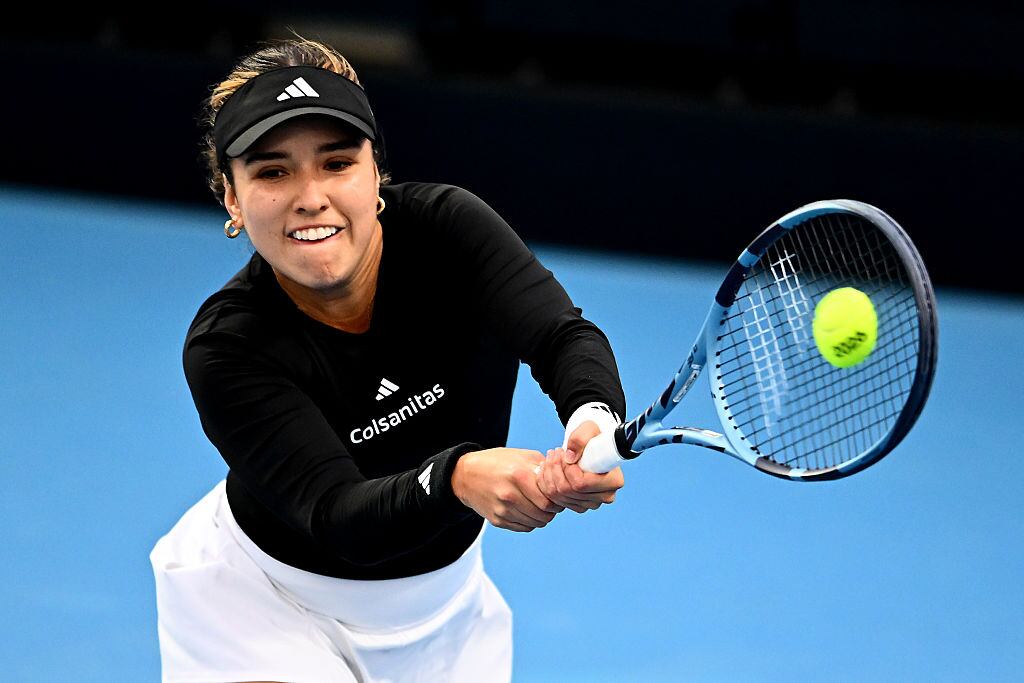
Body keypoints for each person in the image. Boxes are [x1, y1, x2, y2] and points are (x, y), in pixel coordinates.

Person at [149, 35, 627, 683]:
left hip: (445, 612)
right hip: (264, 605)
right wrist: (457, 476)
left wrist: (592, 418)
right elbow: (339, 516)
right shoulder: (227, 346)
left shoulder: (449, 230)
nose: (310, 195)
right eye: (272, 171)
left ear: (376, 172)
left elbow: (561, 337)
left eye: (337, 162)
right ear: (231, 199)